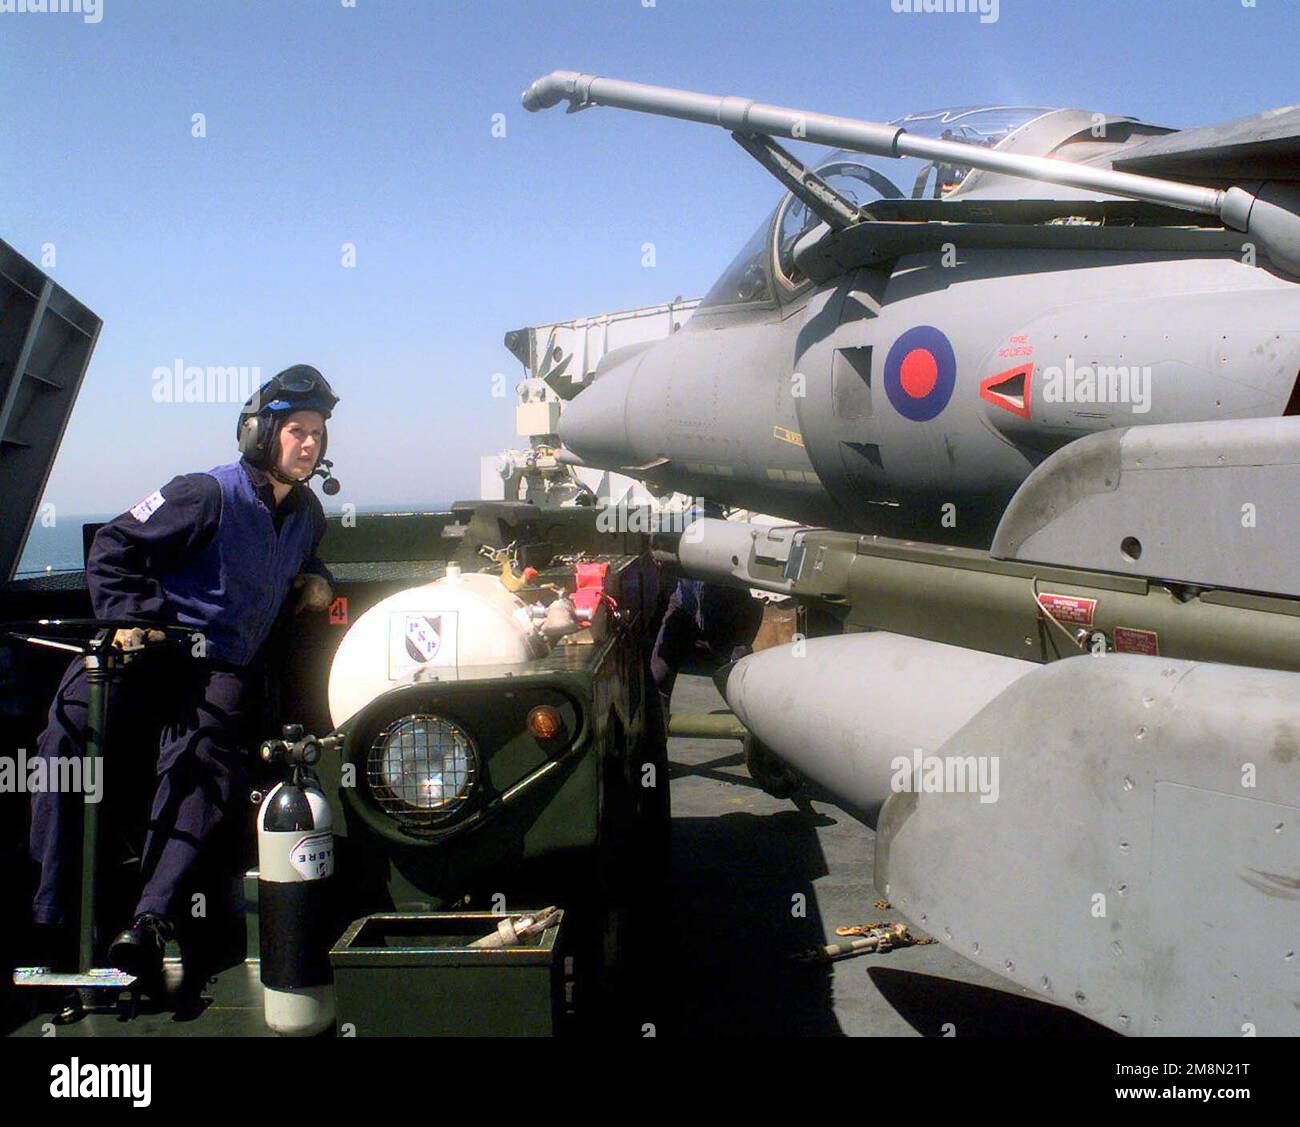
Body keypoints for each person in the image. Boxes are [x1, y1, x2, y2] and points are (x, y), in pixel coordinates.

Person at [28, 365, 339, 988]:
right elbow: (115, 544)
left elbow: (297, 554)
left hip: (220, 668)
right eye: (297, 431)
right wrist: (128, 619)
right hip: (150, 652)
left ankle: (149, 921)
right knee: (64, 741)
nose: (309, 443)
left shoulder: (306, 512)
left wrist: (319, 576)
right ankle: (49, 914)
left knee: (204, 765)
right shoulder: (205, 493)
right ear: (260, 433)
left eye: (318, 433)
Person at [650, 501, 764, 730]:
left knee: (743, 683)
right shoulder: (683, 530)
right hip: (685, 608)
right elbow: (658, 552)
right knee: (658, 674)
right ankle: (654, 742)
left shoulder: (730, 540)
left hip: (729, 613)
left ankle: (761, 739)